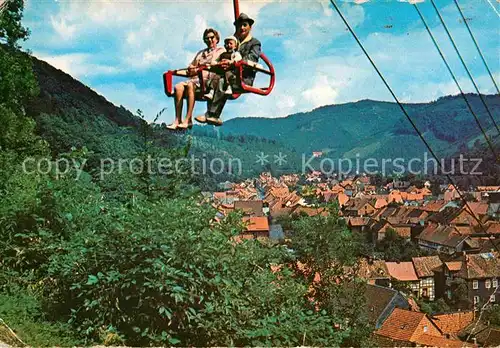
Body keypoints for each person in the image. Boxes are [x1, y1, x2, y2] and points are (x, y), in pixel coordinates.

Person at [195, 13, 261, 126]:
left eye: (245, 25)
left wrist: (233, 63)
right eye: (240, 26)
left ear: (250, 26)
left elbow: (252, 58)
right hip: (230, 75)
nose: (242, 28)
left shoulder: (254, 43)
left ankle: (212, 114)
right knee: (215, 78)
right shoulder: (235, 42)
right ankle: (212, 114)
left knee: (221, 81)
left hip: (243, 77)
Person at [166, 28, 224, 130]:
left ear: (217, 39)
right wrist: (177, 72)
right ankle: (177, 119)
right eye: (207, 38)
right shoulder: (200, 53)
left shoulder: (221, 51)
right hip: (196, 79)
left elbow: (222, 66)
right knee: (178, 87)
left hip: (209, 80)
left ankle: (188, 119)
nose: (209, 40)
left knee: (189, 85)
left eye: (212, 38)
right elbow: (191, 69)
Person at [204, 35, 242, 99]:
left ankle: (229, 87)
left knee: (228, 74)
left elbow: (239, 58)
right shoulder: (222, 54)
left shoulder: (234, 54)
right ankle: (211, 91)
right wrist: (217, 63)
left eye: (231, 43)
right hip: (221, 72)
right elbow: (214, 61)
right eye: (227, 44)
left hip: (230, 71)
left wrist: (231, 61)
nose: (228, 45)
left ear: (235, 46)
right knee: (215, 77)